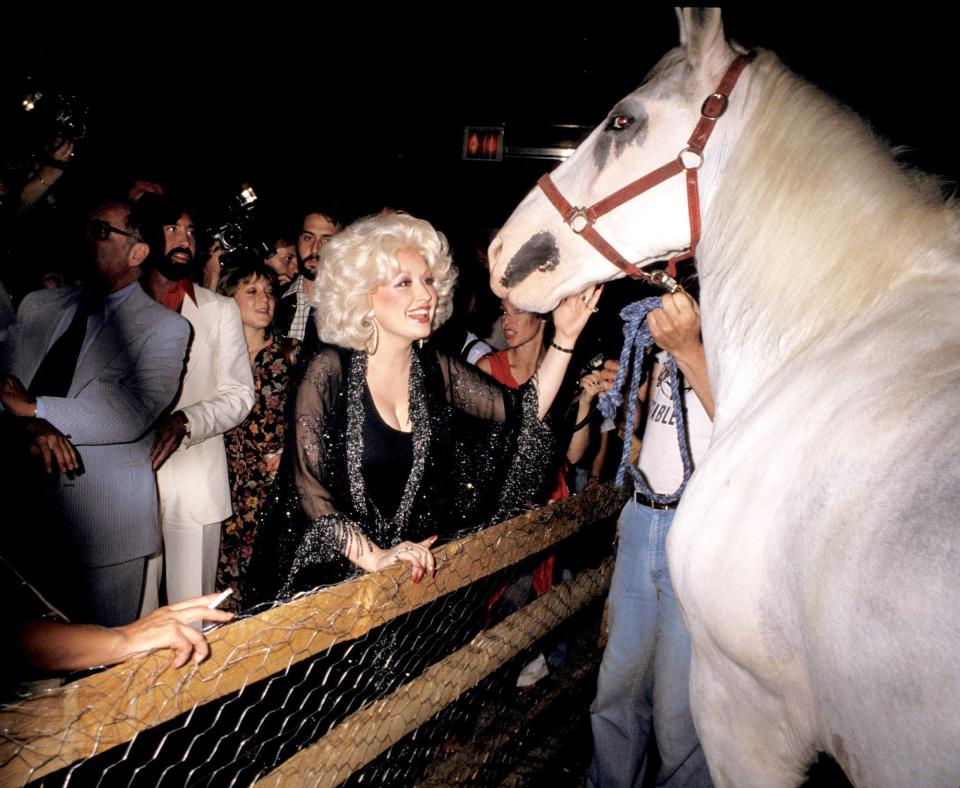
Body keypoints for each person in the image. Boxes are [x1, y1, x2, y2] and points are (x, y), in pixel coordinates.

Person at [249, 212, 602, 601]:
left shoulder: (436, 368)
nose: (426, 295)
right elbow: (308, 487)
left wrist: (565, 337)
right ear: (362, 296)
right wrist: (375, 557)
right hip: (328, 584)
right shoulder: (329, 369)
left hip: (408, 578)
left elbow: (521, 413)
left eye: (429, 281)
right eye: (404, 283)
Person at [0, 200, 191, 626]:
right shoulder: (37, 306)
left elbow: (131, 414)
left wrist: (35, 406)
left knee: (98, 675)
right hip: (21, 515)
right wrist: (30, 421)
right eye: (87, 225)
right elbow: (4, 384)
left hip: (102, 531)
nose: (87, 236)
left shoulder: (166, 328)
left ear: (138, 252)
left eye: (101, 230)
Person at [588, 290, 715, 788]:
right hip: (643, 517)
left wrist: (689, 350)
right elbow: (657, 434)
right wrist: (624, 398)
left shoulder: (731, 339)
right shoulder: (664, 343)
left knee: (678, 714)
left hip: (697, 529)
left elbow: (746, 424)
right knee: (616, 691)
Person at [139, 195, 255, 609]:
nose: (184, 240)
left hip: (196, 479)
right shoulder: (118, 307)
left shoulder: (218, 310)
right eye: (172, 229)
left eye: (190, 231)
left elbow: (240, 395)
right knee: (135, 615)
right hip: (130, 483)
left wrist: (186, 421)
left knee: (195, 616)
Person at [215, 263, 292, 611]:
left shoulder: (290, 355)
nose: (265, 299)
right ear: (229, 300)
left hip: (269, 490)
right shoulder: (214, 357)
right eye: (252, 291)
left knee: (266, 589)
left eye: (269, 292)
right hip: (221, 483)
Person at [274, 209, 341, 342]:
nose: (315, 249)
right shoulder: (274, 299)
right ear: (297, 241)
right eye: (308, 238)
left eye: (327, 240)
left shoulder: (354, 302)